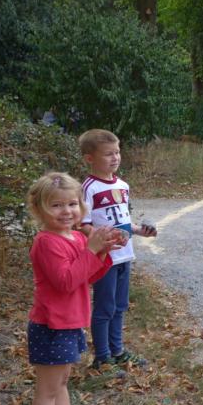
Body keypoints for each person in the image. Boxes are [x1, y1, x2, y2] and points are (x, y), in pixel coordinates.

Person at [26, 172, 121, 405]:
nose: (66, 211)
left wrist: (102, 250)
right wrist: (91, 251)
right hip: (51, 325)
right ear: (39, 209)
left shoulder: (77, 238)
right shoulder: (46, 242)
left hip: (70, 322)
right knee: (47, 391)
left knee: (61, 383)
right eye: (56, 205)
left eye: (72, 203)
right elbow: (66, 281)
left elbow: (86, 276)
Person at [78, 129, 158, 370]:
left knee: (120, 305)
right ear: (90, 158)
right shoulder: (89, 188)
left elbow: (122, 220)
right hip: (105, 258)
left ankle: (118, 351)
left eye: (117, 152)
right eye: (108, 154)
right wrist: (100, 241)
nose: (115, 158)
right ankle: (102, 357)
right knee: (105, 307)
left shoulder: (123, 185)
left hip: (124, 255)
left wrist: (139, 230)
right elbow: (83, 224)